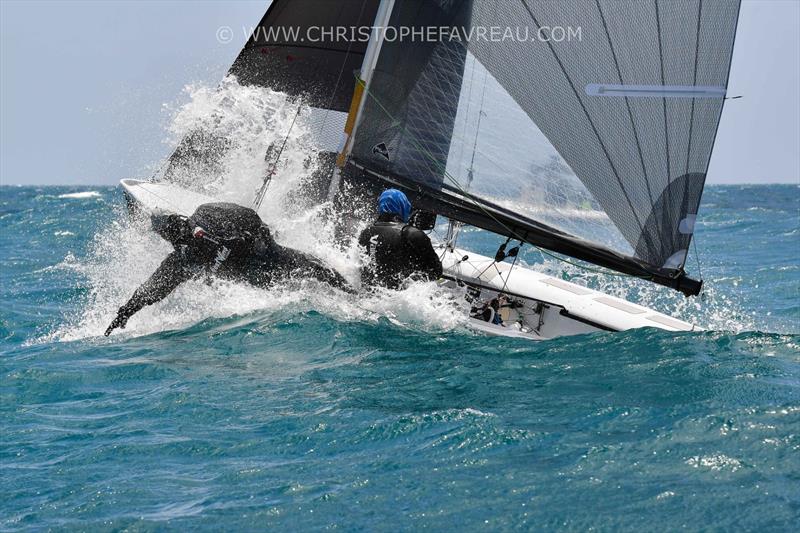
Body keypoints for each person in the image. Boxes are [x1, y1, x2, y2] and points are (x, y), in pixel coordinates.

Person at [104, 202, 350, 336]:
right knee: (296, 292)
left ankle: (353, 294)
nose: (179, 234)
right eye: (172, 234)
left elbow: (250, 215)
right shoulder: (181, 261)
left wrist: (250, 235)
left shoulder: (206, 213)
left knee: (315, 268)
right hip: (259, 286)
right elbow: (150, 290)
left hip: (267, 253)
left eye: (177, 226)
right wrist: (125, 312)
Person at [358, 189, 442, 289]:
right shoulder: (412, 234)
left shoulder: (365, 233)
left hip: (368, 293)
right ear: (403, 206)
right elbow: (436, 272)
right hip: (401, 296)